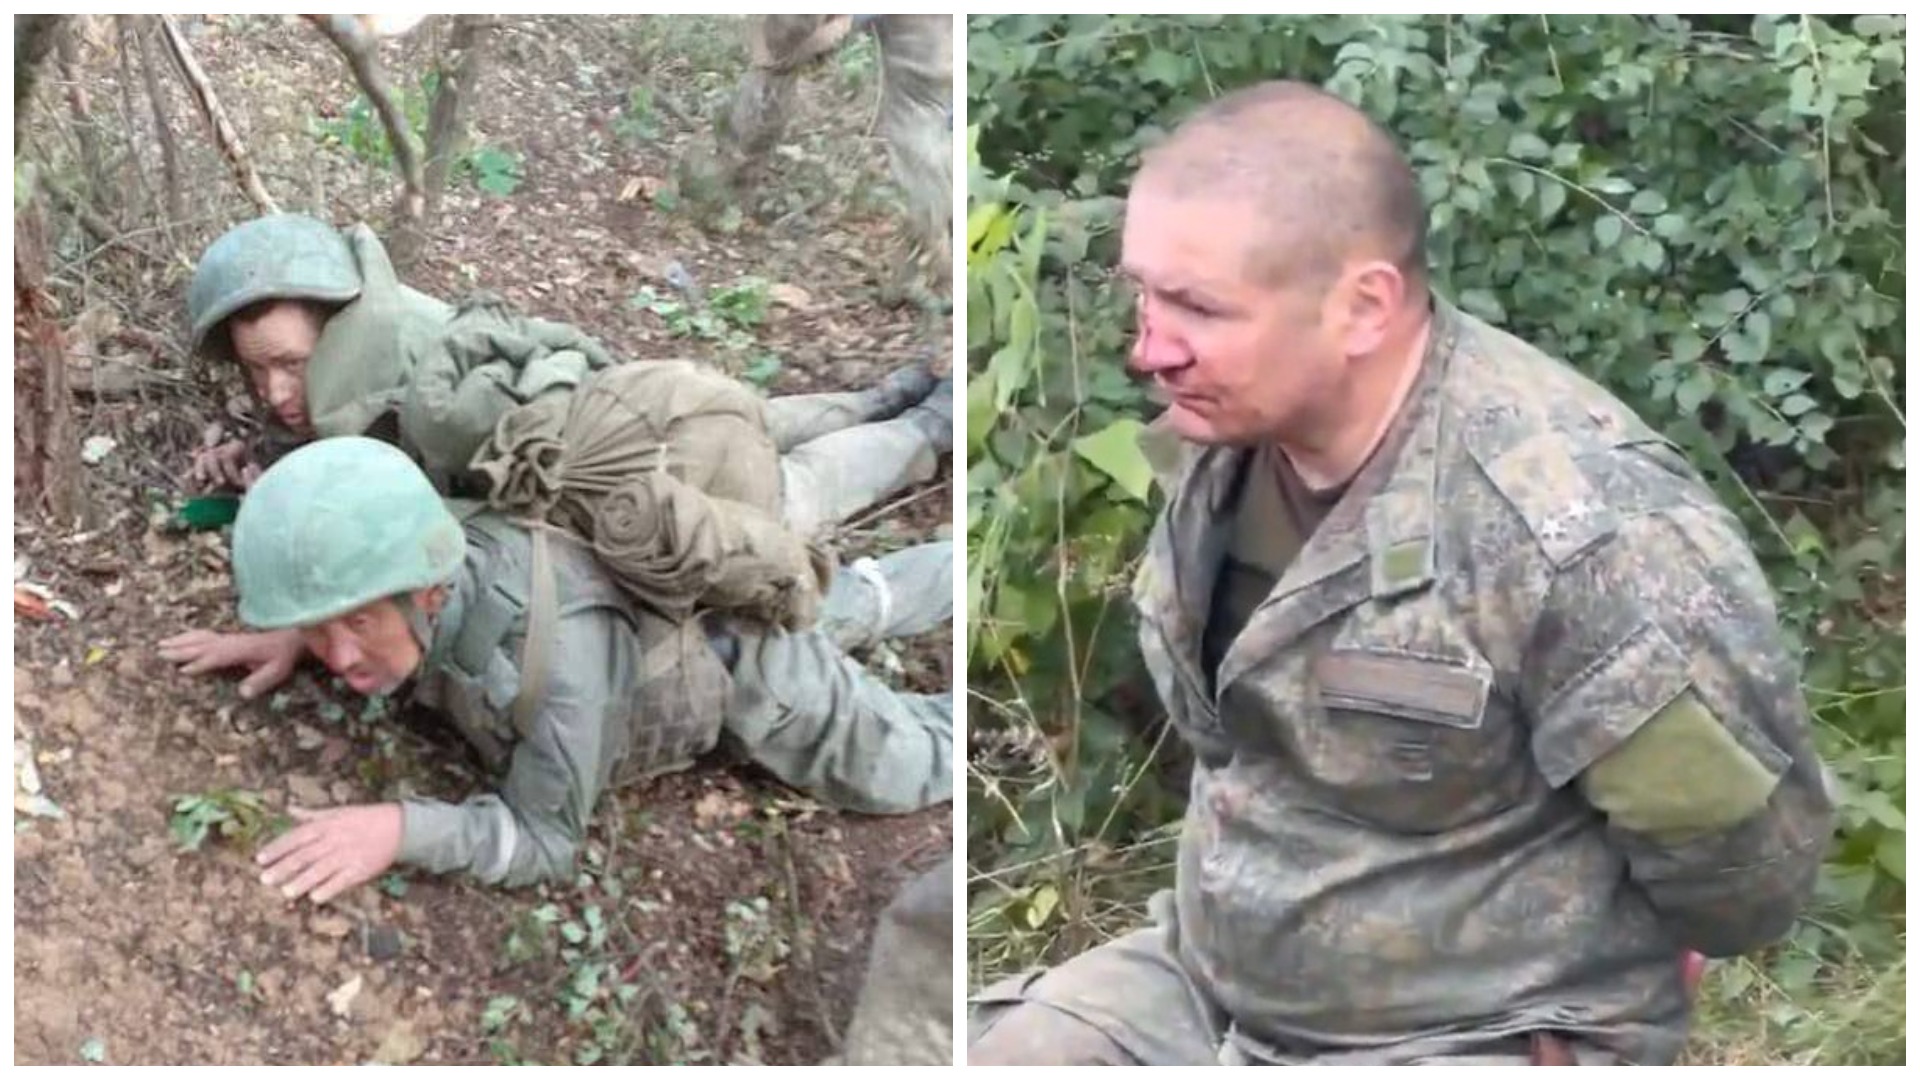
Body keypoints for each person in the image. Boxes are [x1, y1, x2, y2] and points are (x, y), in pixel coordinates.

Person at [966, 79, 1834, 1066]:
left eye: (1197, 307)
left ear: (1363, 307)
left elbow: (1742, 871)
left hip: (1482, 1025)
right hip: (1214, 980)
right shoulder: (1220, 440)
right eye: (1144, 292)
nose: (1148, 348)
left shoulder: (1579, 532)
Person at [164, 435, 952, 904]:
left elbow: (545, 841)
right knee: (850, 601)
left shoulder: (554, 666)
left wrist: (400, 828)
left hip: (757, 682)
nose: (338, 656)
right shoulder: (434, 544)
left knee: (920, 762)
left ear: (430, 592)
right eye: (318, 630)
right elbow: (356, 591)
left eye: (360, 622)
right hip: (687, 622)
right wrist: (296, 634)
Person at [181, 212, 950, 545]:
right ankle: (895, 390)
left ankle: (931, 419)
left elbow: (444, 521)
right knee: (762, 414)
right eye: (257, 373)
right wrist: (266, 455)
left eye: (291, 365)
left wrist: (285, 492)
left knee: (801, 490)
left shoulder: (418, 397)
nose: (275, 393)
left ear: (333, 325)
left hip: (662, 474)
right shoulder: (390, 320)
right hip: (653, 392)